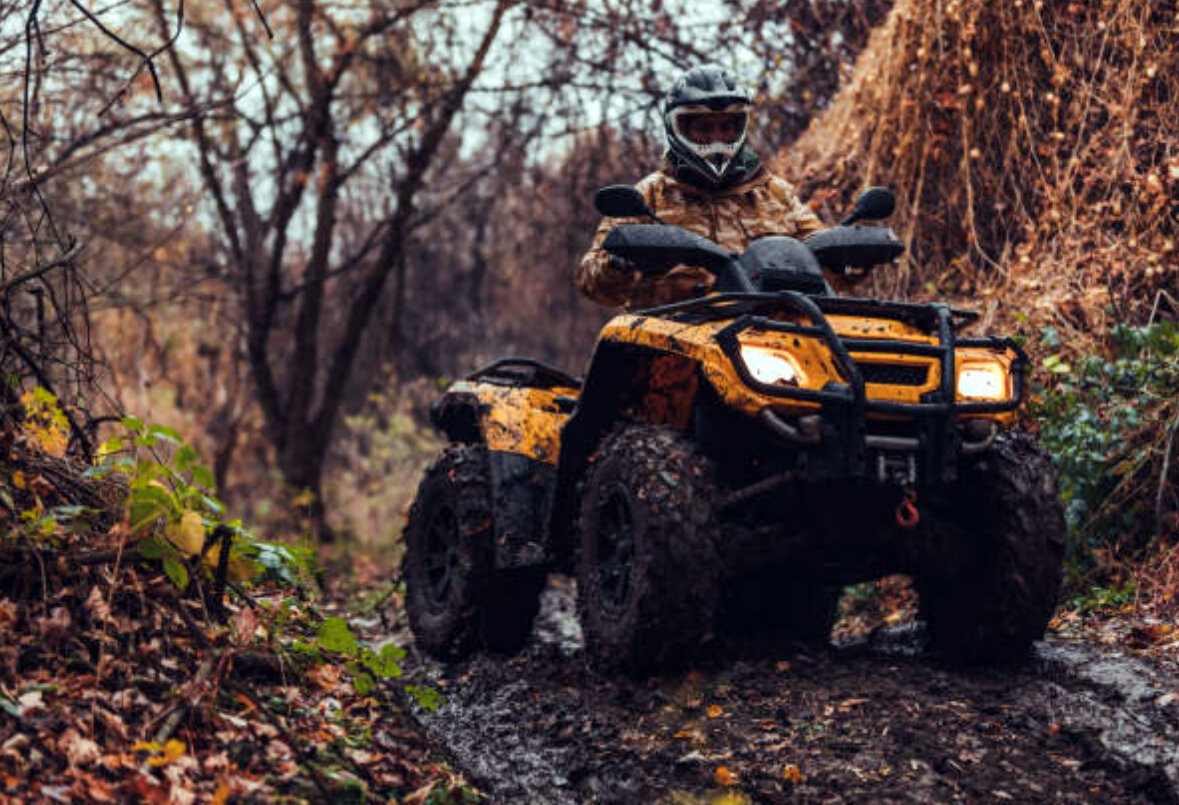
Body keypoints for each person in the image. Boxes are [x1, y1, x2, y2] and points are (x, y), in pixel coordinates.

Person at [577, 63, 824, 310]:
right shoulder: (649, 196)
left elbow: (824, 255)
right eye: (704, 128)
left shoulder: (776, 194)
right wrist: (620, 264)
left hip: (772, 329)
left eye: (726, 127)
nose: (717, 138)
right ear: (676, 128)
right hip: (674, 330)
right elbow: (591, 282)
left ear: (741, 127)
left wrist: (844, 252)